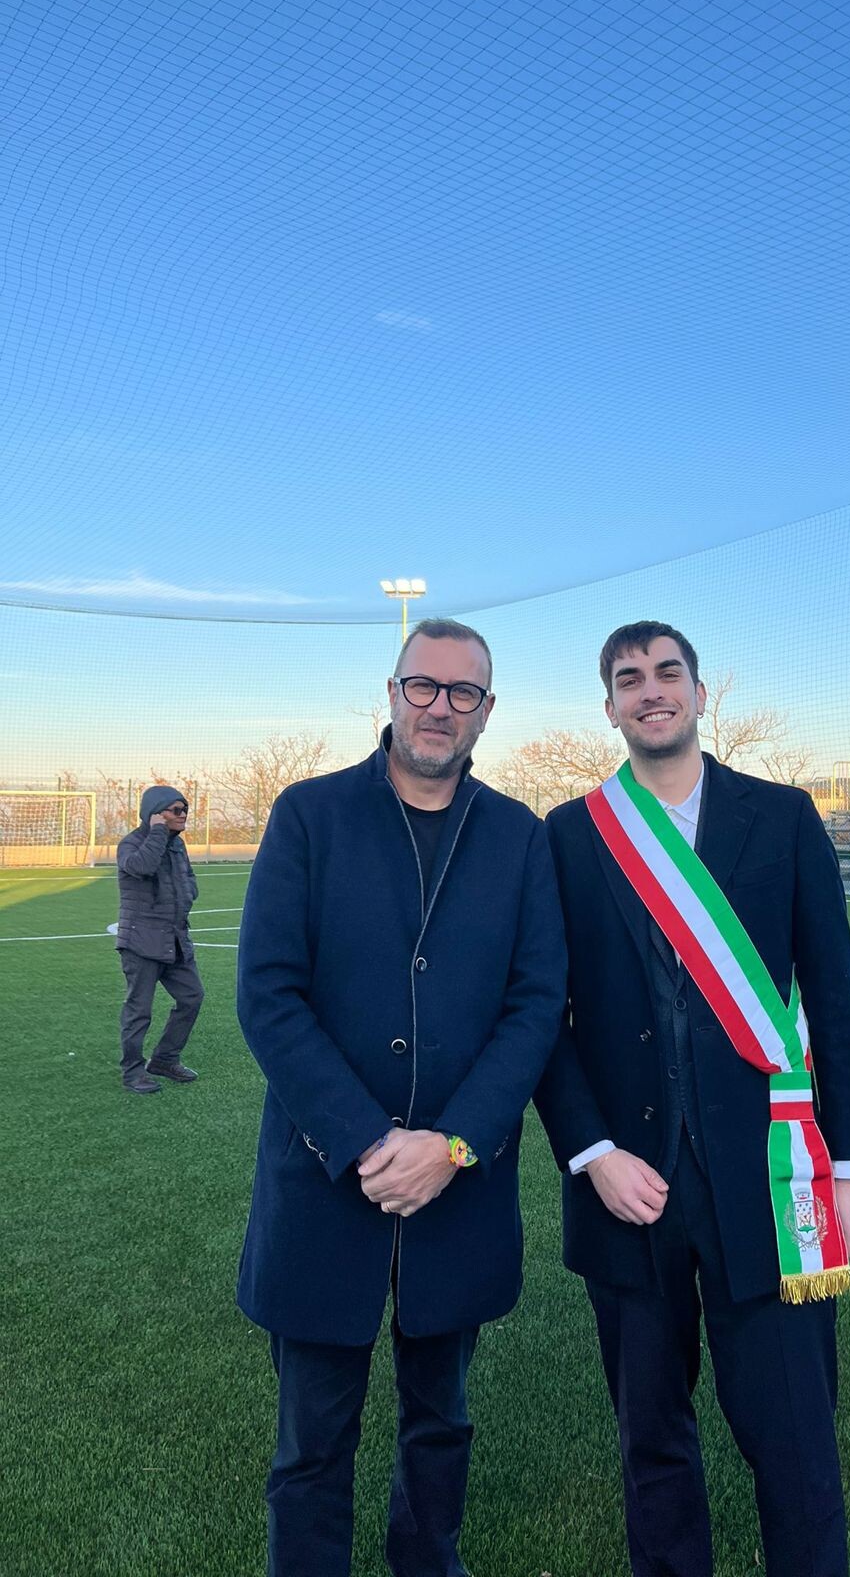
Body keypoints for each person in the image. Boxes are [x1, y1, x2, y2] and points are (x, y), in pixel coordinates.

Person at [535, 622, 850, 1577]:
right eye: (628, 679)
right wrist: (591, 1153)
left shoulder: (784, 816)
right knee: (652, 1445)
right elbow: (541, 1016)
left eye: (666, 672)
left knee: (797, 1440)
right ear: (609, 705)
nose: (650, 690)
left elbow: (835, 999)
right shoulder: (569, 834)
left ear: (697, 689)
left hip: (770, 1179)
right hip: (627, 1184)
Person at [236, 618, 565, 1577]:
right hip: (324, 1181)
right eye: (424, 685)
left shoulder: (519, 835)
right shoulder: (309, 815)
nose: (439, 707)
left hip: (459, 1190)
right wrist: (366, 1140)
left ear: (487, 711)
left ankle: (427, 1560)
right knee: (312, 1440)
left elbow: (536, 1005)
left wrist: (453, 1143)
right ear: (391, 692)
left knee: (441, 1421)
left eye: (463, 693)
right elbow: (268, 994)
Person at [114, 785, 204, 1093]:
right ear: (155, 814)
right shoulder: (131, 844)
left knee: (192, 997)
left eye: (185, 809)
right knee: (139, 1010)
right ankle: (133, 1072)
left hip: (175, 938)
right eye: (176, 810)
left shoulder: (177, 845)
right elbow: (142, 867)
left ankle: (165, 1060)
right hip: (140, 942)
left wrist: (189, 893)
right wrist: (156, 832)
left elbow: (188, 879)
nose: (183, 815)